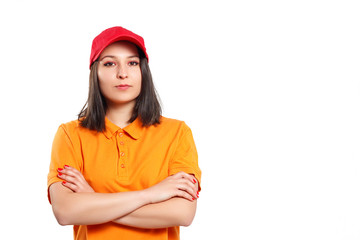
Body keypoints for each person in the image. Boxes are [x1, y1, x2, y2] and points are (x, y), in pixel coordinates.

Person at [47, 26, 201, 240]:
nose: (122, 73)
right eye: (110, 63)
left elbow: (182, 213)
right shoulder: (70, 135)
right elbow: (65, 211)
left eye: (132, 63)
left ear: (143, 71)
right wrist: (151, 195)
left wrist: (93, 201)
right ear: (95, 73)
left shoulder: (177, 133)